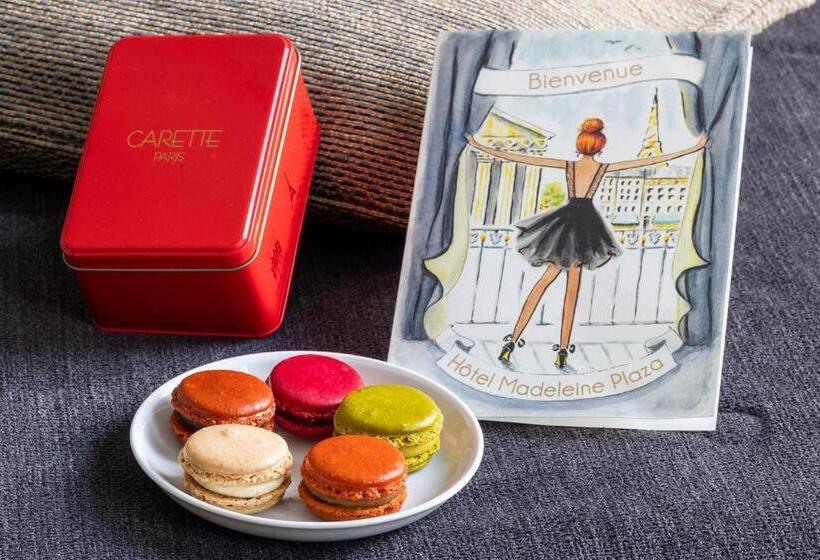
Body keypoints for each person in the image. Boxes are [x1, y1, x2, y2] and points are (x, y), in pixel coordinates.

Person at [466, 118, 706, 368]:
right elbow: (649, 161)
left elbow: (523, 158)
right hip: (587, 227)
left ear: (580, 144)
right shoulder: (602, 169)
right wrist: (693, 148)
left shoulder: (569, 166)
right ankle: (562, 351)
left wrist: (479, 146)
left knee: (543, 283)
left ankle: (511, 342)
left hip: (565, 224)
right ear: (600, 145)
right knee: (572, 292)